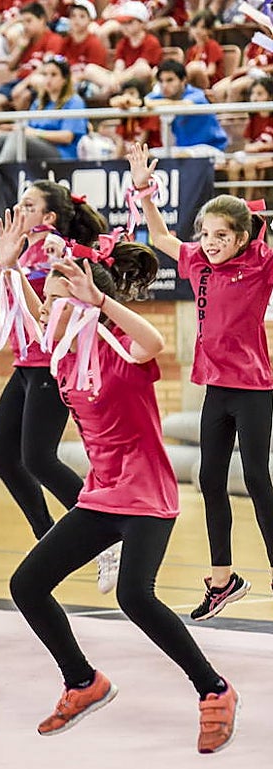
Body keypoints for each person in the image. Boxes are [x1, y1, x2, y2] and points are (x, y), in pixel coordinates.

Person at [0, 209, 239, 755]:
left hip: (148, 496)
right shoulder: (60, 354)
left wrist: (100, 303)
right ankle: (83, 681)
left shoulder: (119, 349)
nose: (44, 308)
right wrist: (7, 268)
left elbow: (154, 341)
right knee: (26, 585)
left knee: (135, 596)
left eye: (54, 299)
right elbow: (32, 319)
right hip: (101, 496)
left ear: (80, 306)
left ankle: (214, 690)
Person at [128, 143, 273, 620]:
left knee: (256, 478)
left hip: (254, 388)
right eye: (206, 233)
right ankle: (222, 579)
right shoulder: (197, 262)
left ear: (242, 238)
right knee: (209, 478)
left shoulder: (260, 266)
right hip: (216, 387)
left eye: (222, 235)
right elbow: (159, 235)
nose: (210, 241)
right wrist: (146, 191)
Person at [0, 181, 123, 592]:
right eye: (19, 202)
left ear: (50, 217)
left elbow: (47, 304)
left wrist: (14, 264)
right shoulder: (22, 247)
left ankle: (106, 533)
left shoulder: (58, 250)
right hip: (24, 362)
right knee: (2, 457)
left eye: (29, 205)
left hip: (50, 363)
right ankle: (49, 536)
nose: (19, 210)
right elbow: (11, 302)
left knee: (38, 458)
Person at [0, 56, 88, 182]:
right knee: (3, 136)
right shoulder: (40, 102)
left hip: (62, 153)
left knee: (19, 137)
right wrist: (13, 128)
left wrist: (32, 133)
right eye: (45, 74)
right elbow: (27, 128)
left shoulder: (74, 101)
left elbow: (67, 137)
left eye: (54, 75)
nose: (48, 79)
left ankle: (1, 175)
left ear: (64, 79)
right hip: (36, 144)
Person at [146, 60, 228, 159]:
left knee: (184, 156)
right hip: (181, 148)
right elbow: (144, 101)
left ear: (183, 80)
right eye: (161, 81)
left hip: (211, 148)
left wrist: (154, 104)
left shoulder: (198, 95)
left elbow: (185, 105)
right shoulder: (161, 97)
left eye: (170, 80)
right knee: (146, 155)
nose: (164, 85)